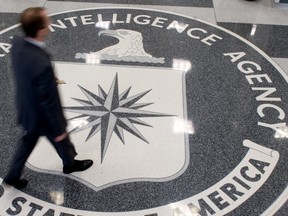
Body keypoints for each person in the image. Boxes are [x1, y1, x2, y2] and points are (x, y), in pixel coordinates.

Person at [3, 7, 93, 189]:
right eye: (47, 23)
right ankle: (70, 164)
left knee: (27, 142)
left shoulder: (18, 43)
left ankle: (12, 175)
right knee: (61, 138)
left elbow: (26, 71)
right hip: (42, 115)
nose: (50, 26)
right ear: (40, 30)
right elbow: (48, 102)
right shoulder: (41, 64)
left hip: (26, 107)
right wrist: (58, 127)